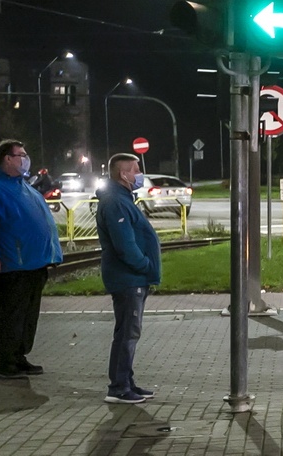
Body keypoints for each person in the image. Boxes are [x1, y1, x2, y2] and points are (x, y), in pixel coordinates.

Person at [0, 139, 63, 379]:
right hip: (12, 263)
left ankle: (18, 356)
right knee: (10, 314)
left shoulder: (22, 186)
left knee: (27, 315)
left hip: (33, 263)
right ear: (7, 159)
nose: (25, 158)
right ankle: (3, 361)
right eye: (20, 154)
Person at [96, 153, 161, 404]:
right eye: (135, 170)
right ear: (123, 174)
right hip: (128, 278)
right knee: (127, 334)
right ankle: (119, 387)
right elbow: (125, 245)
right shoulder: (115, 202)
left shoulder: (121, 199)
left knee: (128, 332)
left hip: (132, 277)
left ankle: (126, 382)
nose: (139, 174)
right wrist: (144, 265)